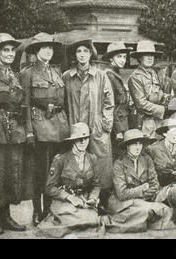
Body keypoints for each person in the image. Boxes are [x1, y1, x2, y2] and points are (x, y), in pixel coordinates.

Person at [20, 32, 70, 226]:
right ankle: (37, 211)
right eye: (44, 48)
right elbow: (24, 105)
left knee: (53, 171)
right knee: (39, 171)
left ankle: (48, 210)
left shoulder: (56, 72)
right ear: (36, 51)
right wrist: (29, 131)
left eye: (50, 48)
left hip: (58, 127)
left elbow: (61, 101)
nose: (48, 51)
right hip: (40, 126)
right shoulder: (27, 73)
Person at [62, 39, 115, 208]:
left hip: (97, 127)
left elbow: (109, 101)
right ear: (74, 55)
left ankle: (103, 203)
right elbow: (62, 102)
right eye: (79, 51)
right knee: (78, 163)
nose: (82, 54)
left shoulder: (100, 75)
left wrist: (105, 123)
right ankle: (80, 202)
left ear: (91, 54)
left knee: (102, 163)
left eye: (86, 51)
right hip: (75, 127)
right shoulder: (67, 76)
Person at [37, 123, 103, 238]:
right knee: (71, 218)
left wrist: (93, 198)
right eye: (79, 139)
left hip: (84, 200)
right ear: (73, 141)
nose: (83, 142)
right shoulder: (60, 159)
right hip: (64, 201)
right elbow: (49, 188)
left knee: (92, 220)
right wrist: (69, 197)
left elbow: (96, 184)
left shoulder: (92, 158)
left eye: (86, 138)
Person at [106, 129, 175, 233]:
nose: (138, 147)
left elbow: (155, 185)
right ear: (127, 146)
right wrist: (142, 188)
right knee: (145, 211)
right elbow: (122, 194)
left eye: (139, 144)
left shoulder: (147, 159)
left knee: (165, 210)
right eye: (134, 144)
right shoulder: (118, 164)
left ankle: (143, 219)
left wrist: (143, 195)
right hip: (123, 203)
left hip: (143, 200)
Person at [0, 33, 30, 234]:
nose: (10, 54)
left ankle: (5, 215)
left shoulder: (13, 73)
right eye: (5, 50)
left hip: (14, 129)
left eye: (12, 50)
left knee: (11, 172)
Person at [128, 40, 172, 139]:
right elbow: (141, 104)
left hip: (158, 121)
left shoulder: (153, 73)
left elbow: (157, 94)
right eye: (146, 55)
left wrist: (170, 99)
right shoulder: (135, 77)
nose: (150, 57)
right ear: (139, 57)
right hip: (144, 123)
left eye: (152, 55)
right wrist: (163, 110)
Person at [101, 41, 132, 160]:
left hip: (123, 122)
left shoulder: (116, 74)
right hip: (116, 125)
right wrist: (118, 130)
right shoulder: (109, 75)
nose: (123, 60)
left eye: (124, 57)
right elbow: (110, 105)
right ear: (110, 59)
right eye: (119, 56)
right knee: (118, 156)